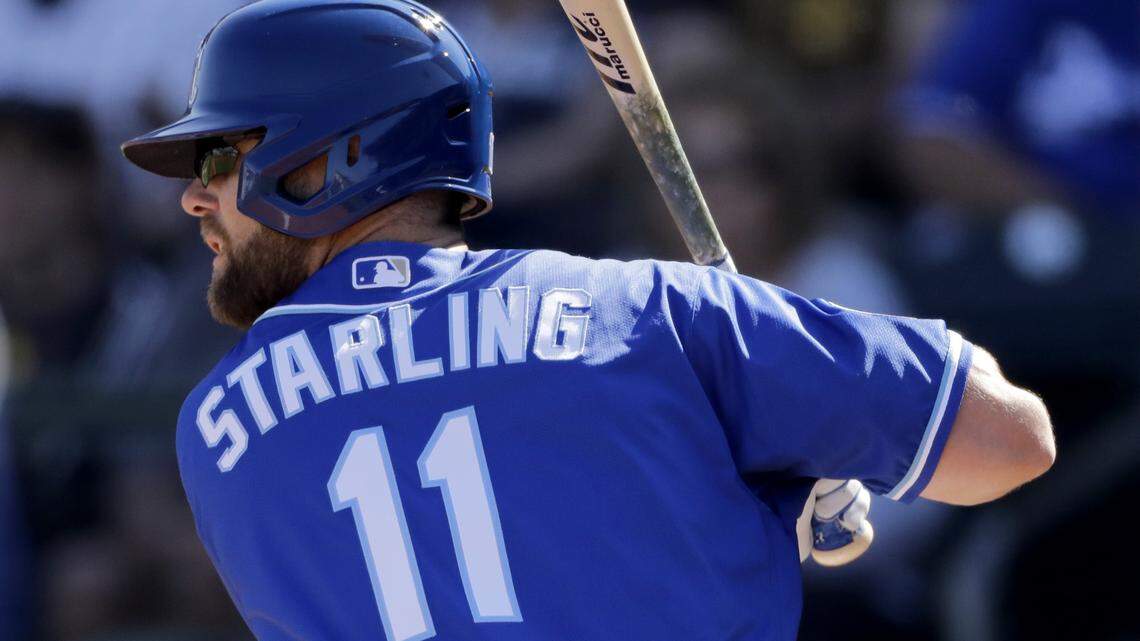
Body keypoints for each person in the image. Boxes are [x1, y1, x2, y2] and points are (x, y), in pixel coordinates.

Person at [120, 2, 1055, 640]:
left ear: (328, 160)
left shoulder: (216, 431)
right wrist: (781, 444)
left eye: (218, 159)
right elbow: (1012, 439)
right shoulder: (650, 314)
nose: (197, 201)